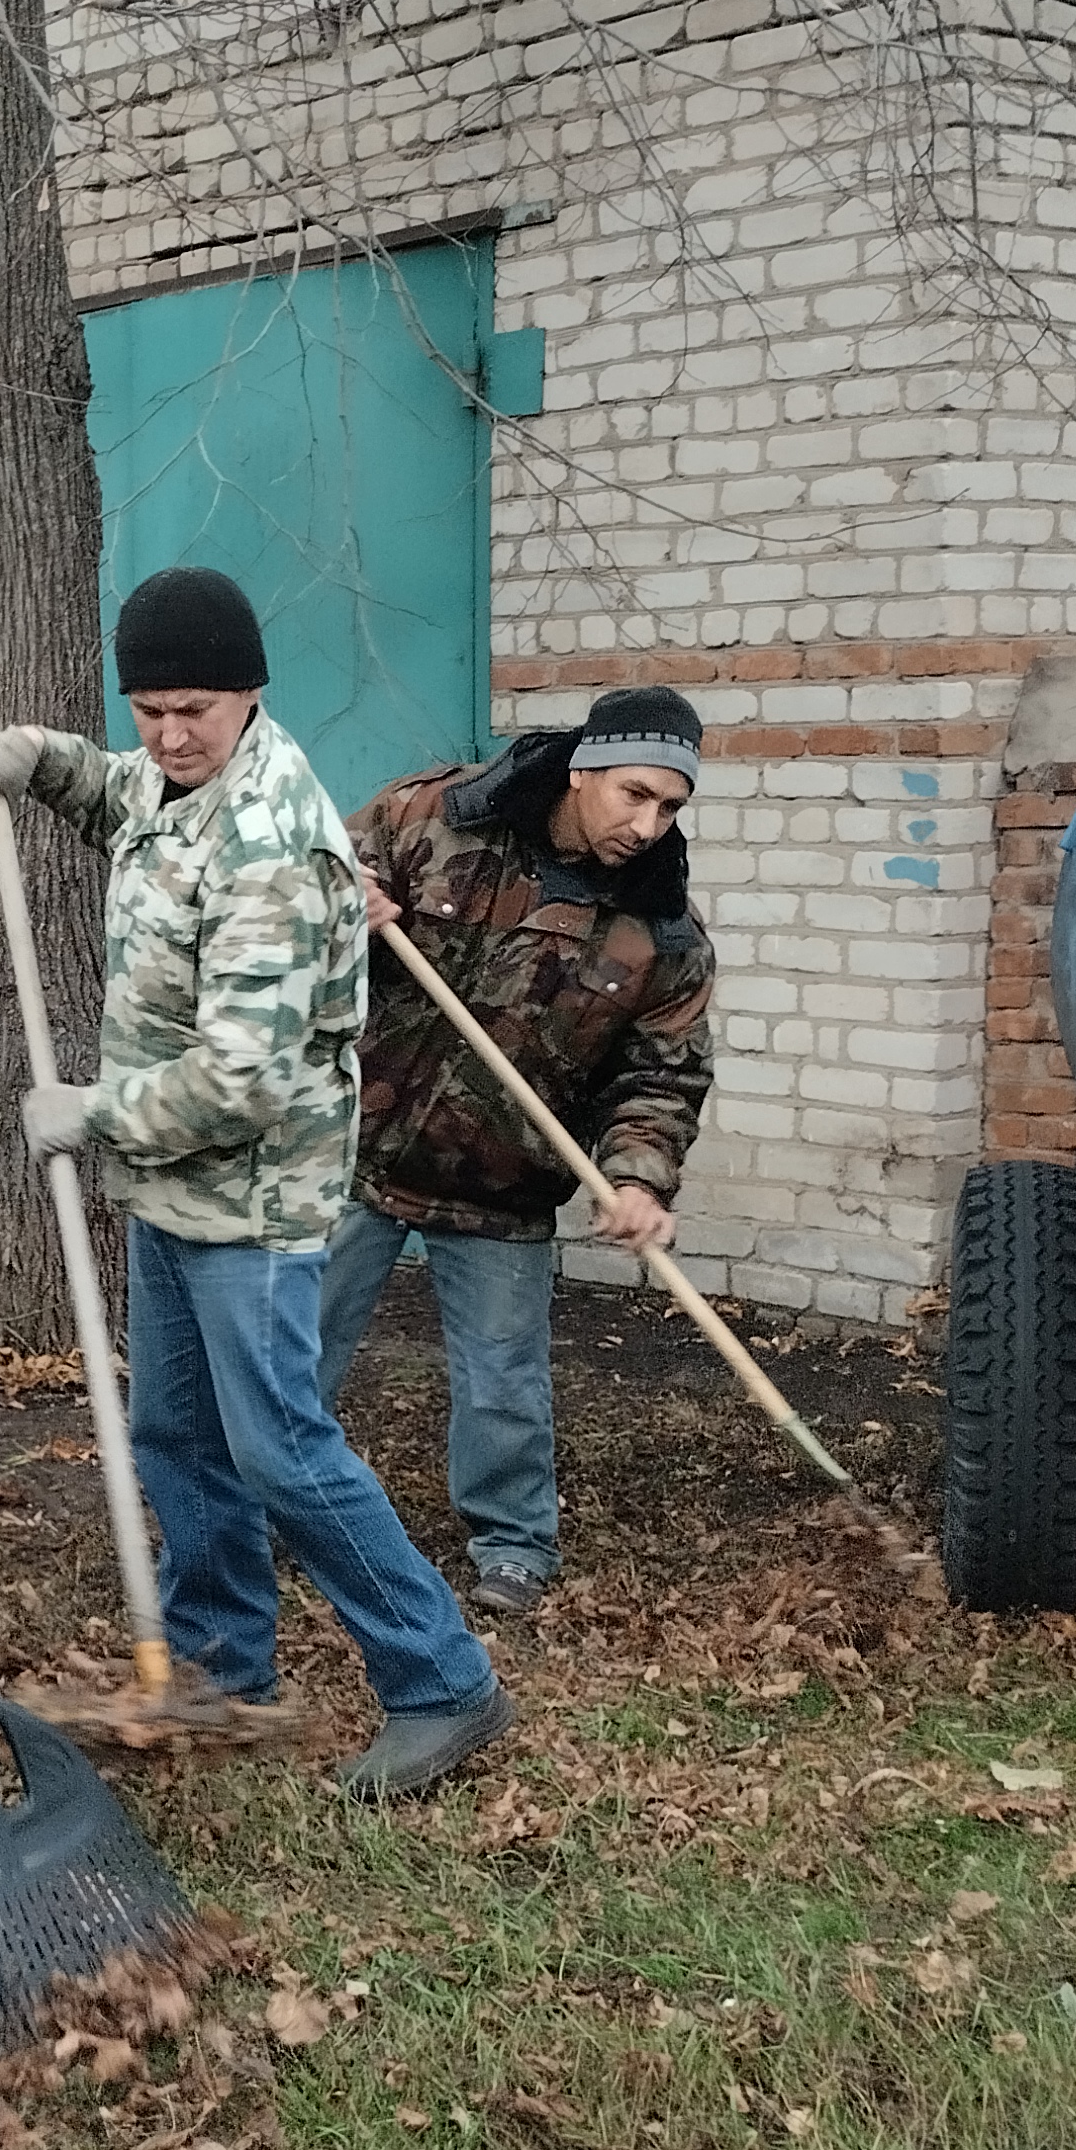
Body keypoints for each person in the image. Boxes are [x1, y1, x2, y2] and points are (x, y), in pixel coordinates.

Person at [0, 567, 510, 1800]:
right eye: (148, 706)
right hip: (172, 1190)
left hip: (252, 1195)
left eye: (192, 708)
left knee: (280, 1450)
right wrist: (37, 758)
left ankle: (443, 1684)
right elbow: (116, 791)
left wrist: (86, 1112)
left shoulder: (270, 847)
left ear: (249, 695)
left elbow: (240, 1084)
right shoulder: (173, 775)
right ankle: (220, 1666)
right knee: (177, 1432)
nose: (166, 734)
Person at [321, 684, 715, 1619]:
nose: (648, 824)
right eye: (634, 794)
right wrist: (342, 908)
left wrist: (636, 1177)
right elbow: (297, 889)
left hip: (502, 1184)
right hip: (349, 1152)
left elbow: (660, 1078)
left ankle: (513, 1545)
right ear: (583, 770)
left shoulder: (661, 936)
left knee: (504, 1381)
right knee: (292, 1352)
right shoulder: (431, 816)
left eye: (670, 806)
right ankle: (245, 1511)